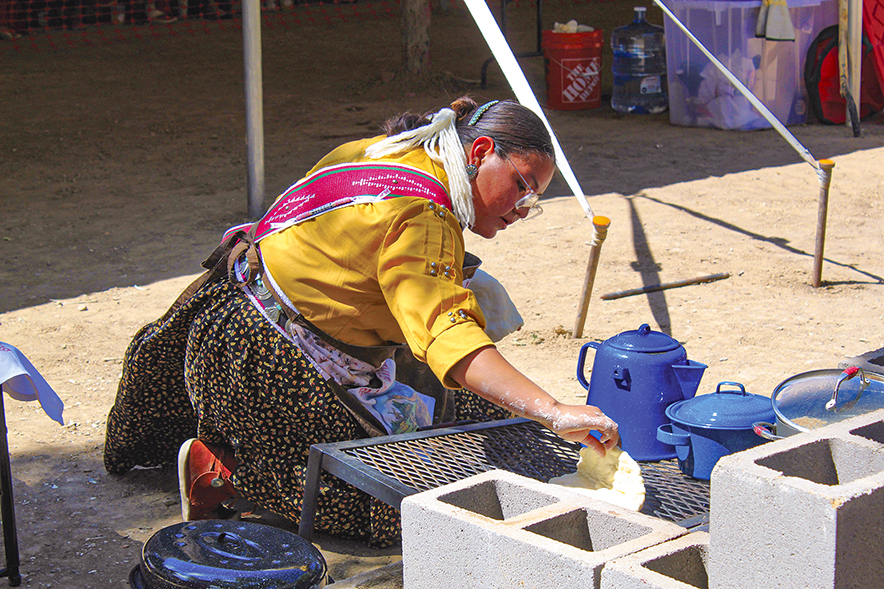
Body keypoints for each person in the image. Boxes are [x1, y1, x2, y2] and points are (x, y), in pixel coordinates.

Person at [103, 97, 619, 546]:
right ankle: (223, 471)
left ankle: (232, 435)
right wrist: (551, 410)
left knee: (460, 415)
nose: (524, 209)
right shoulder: (424, 213)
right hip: (267, 360)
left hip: (222, 316)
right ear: (481, 153)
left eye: (535, 200)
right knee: (405, 512)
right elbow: (448, 335)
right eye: (522, 187)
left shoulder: (392, 150)